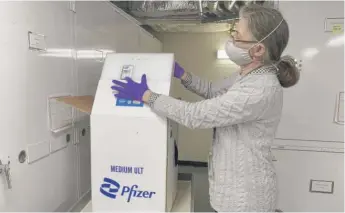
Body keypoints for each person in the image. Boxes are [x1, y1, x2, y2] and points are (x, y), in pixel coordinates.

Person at [111, 3, 300, 212]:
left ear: (258, 49)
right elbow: (213, 91)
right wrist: (183, 75)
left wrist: (146, 96)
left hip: (245, 198)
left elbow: (195, 115)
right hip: (233, 187)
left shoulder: (259, 89)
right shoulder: (247, 75)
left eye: (237, 35)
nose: (232, 39)